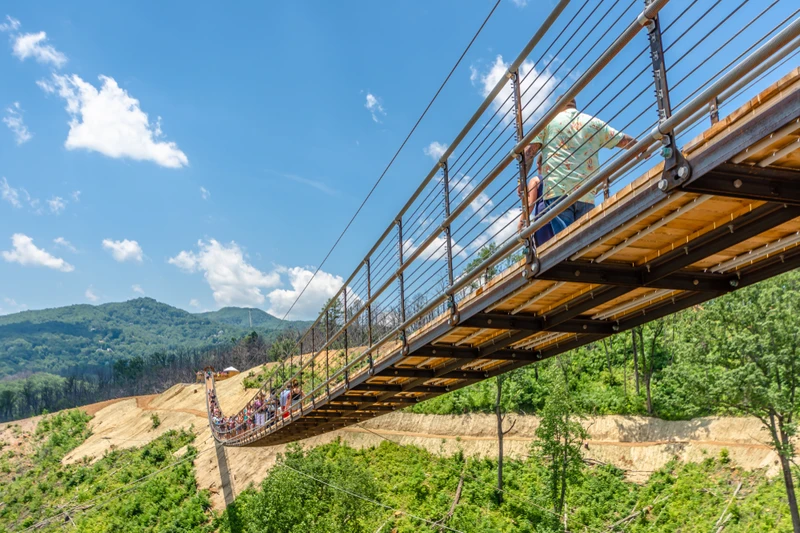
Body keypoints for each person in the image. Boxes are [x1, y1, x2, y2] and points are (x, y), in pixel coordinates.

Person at [518, 96, 638, 245]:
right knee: (584, 243)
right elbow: (622, 139)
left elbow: (529, 153)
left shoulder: (548, 123)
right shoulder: (592, 122)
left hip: (558, 192)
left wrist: (521, 182)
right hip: (586, 193)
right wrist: (639, 146)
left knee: (566, 244)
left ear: (557, 107)